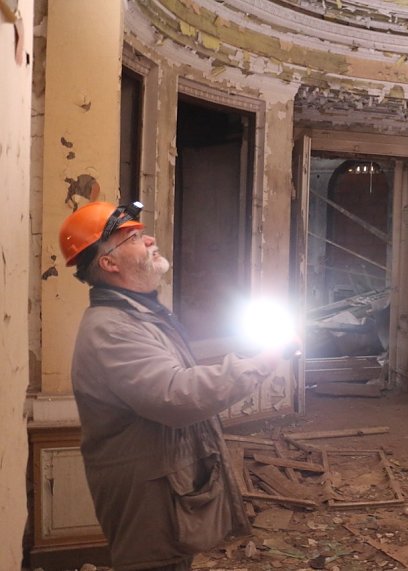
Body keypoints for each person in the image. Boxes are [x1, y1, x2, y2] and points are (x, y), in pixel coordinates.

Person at [59, 201, 283, 571]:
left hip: (164, 483)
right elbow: (176, 395)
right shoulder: (112, 329)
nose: (148, 239)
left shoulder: (137, 314)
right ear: (109, 263)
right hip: (148, 495)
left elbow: (176, 366)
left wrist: (244, 351)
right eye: (131, 237)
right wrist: (262, 364)